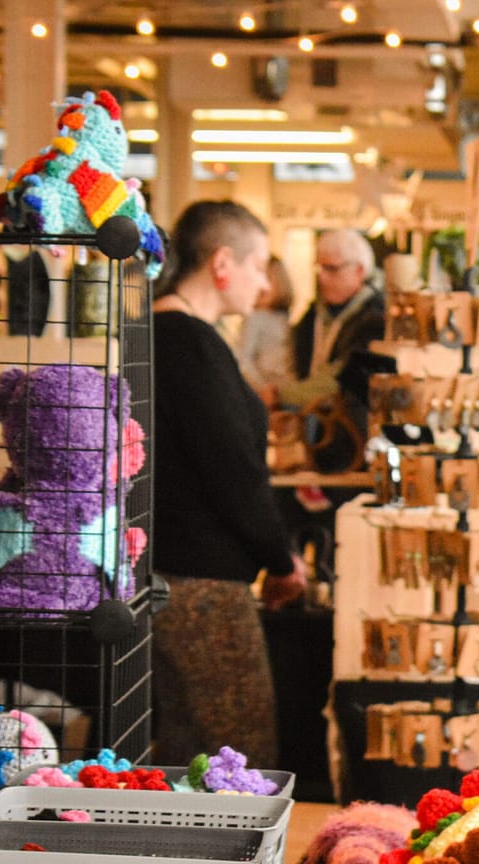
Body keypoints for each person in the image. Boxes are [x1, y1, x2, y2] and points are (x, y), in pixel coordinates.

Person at [150, 200, 305, 767]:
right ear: (222, 263)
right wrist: (281, 557)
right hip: (202, 581)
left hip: (175, 572)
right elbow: (232, 468)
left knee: (193, 747)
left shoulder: (166, 335)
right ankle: (240, 860)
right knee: (238, 753)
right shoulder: (190, 342)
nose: (264, 283)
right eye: (258, 264)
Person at [283, 229, 386, 471]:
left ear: (359, 271)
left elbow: (341, 376)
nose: (322, 277)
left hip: (354, 443)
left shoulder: (375, 318)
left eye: (332, 269)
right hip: (316, 438)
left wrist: (281, 395)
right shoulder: (312, 316)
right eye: (319, 268)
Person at [235, 253, 295, 407]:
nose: (262, 285)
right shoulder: (255, 318)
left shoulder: (281, 317)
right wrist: (262, 388)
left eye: (268, 278)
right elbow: (244, 359)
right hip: (269, 390)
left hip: (285, 388)